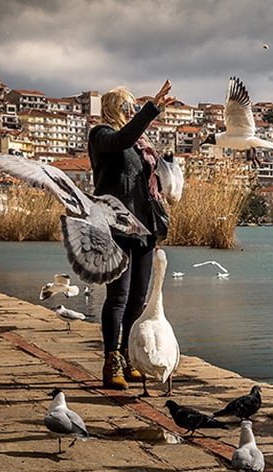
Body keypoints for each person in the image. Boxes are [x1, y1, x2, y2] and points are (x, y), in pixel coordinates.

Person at [88, 80, 176, 389]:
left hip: (144, 229)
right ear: (113, 108)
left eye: (133, 106)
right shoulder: (101, 136)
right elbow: (122, 139)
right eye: (127, 106)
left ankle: (128, 356)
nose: (130, 111)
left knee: (138, 298)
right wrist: (151, 109)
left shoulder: (140, 145)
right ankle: (111, 360)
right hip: (115, 226)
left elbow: (145, 180)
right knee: (118, 297)